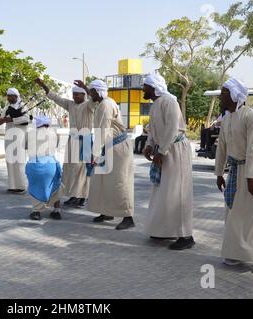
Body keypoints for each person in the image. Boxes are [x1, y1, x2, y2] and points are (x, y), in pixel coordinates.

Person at [215, 78, 253, 275]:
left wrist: (250, 178)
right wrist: (219, 172)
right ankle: (236, 253)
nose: (221, 96)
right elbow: (222, 148)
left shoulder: (252, 117)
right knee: (235, 214)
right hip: (236, 171)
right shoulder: (226, 119)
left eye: (224, 93)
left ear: (234, 95)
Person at [142, 74, 195, 250]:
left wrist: (162, 151)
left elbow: (172, 128)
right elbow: (153, 129)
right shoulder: (155, 104)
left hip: (175, 151)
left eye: (145, 86)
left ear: (153, 88)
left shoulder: (169, 101)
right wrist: (150, 145)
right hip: (164, 150)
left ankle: (186, 236)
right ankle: (164, 230)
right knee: (163, 193)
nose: (143, 89)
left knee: (177, 193)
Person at [75, 79, 135, 230]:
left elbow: (102, 130)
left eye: (92, 92)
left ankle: (128, 217)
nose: (90, 95)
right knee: (102, 181)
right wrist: (86, 87)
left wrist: (94, 155)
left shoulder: (106, 105)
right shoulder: (102, 102)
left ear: (98, 92)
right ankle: (107, 212)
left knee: (119, 182)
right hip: (108, 148)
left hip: (117, 148)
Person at [35, 78, 94, 208]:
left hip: (85, 141)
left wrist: (85, 87)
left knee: (83, 169)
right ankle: (73, 195)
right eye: (74, 94)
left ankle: (82, 196)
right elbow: (55, 97)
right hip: (72, 141)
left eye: (77, 94)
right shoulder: (70, 104)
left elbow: (95, 99)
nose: (75, 96)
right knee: (70, 169)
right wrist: (43, 85)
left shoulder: (89, 105)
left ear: (84, 94)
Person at [25, 115, 63, 221]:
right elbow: (56, 145)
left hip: (35, 164)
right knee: (56, 186)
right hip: (51, 164)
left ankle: (36, 212)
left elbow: (24, 145)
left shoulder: (30, 133)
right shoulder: (54, 132)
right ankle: (56, 211)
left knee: (35, 186)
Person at [0, 88, 29, 193]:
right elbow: (1, 118)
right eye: (8, 96)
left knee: (19, 160)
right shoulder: (6, 107)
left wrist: (12, 119)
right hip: (9, 135)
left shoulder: (23, 106)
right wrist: (1, 120)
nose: (10, 98)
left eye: (12, 96)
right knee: (10, 160)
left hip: (20, 136)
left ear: (17, 96)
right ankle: (12, 185)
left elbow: (27, 119)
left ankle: (21, 185)